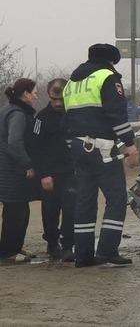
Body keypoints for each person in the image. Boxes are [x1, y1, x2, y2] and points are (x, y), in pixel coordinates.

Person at [63, 43, 139, 267]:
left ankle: (83, 255)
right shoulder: (107, 77)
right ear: (110, 61)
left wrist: (73, 145)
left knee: (85, 201)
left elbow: (65, 119)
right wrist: (130, 143)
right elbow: (116, 114)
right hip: (102, 147)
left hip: (77, 147)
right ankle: (107, 250)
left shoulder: (72, 83)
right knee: (117, 198)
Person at [28, 78, 76, 261]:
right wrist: (44, 174)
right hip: (50, 173)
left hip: (71, 172)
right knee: (50, 211)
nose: (57, 103)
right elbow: (35, 148)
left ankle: (68, 245)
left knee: (71, 209)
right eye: (54, 99)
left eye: (61, 100)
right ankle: (52, 242)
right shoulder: (41, 118)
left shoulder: (74, 116)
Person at [0, 78, 39, 263]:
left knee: (14, 209)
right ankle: (9, 253)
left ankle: (13, 247)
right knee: (17, 211)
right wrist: (28, 164)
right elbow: (14, 142)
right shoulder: (18, 114)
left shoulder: (7, 109)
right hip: (12, 171)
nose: (36, 96)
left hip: (6, 168)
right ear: (26, 94)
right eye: (34, 92)